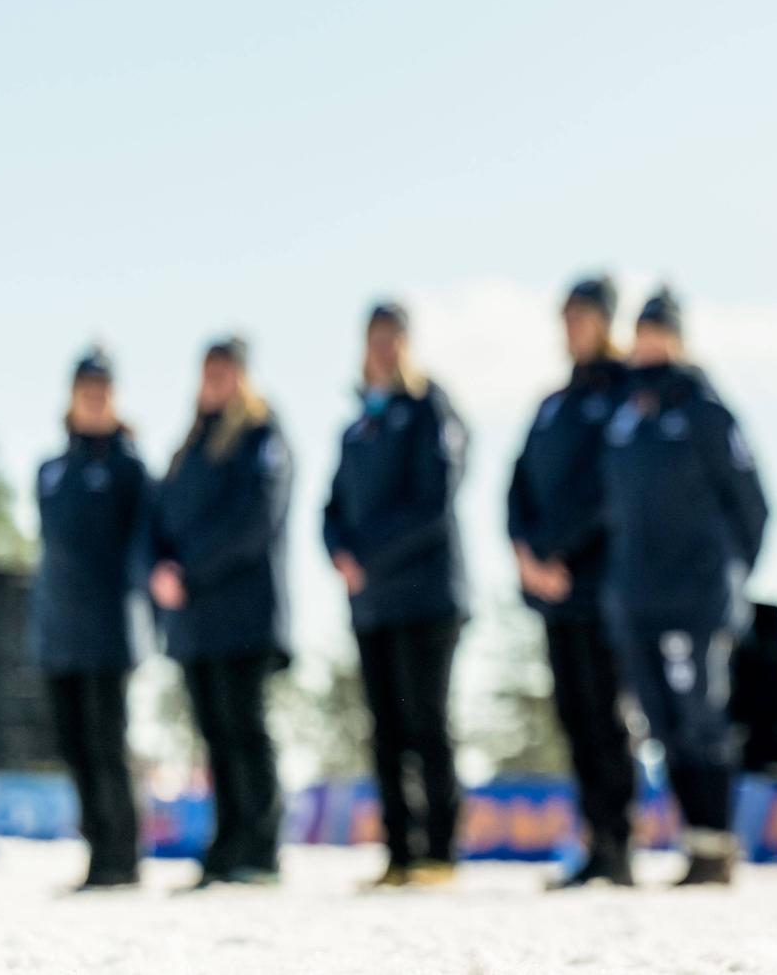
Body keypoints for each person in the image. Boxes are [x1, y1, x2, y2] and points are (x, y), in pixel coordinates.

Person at [602, 288, 768, 885]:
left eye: (659, 333)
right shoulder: (625, 414)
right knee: (661, 725)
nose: (649, 345)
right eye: (641, 333)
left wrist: (725, 575)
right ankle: (694, 842)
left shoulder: (705, 411)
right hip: (637, 598)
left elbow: (752, 506)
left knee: (703, 720)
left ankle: (717, 845)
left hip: (696, 599)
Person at [324, 301, 470, 888]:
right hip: (372, 603)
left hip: (427, 596)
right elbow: (331, 506)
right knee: (384, 727)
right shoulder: (360, 422)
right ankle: (399, 851)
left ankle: (437, 850)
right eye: (373, 338)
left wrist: (370, 554)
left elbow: (433, 500)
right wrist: (339, 550)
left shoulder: (430, 408)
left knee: (426, 722)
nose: (382, 348)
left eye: (393, 338)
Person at [507, 274, 640, 888]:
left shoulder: (623, 394)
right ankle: (591, 841)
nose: (571, 328)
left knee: (608, 715)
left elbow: (613, 489)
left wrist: (558, 550)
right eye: (566, 317)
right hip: (551, 591)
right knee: (573, 716)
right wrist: (526, 553)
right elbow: (517, 485)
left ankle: (619, 844)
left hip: (601, 584)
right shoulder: (552, 404)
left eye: (582, 317)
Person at [150, 335, 293, 888]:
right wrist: (160, 567)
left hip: (244, 614)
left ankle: (261, 846)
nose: (215, 381)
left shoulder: (262, 436)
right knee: (213, 734)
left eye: (225, 371)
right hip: (195, 620)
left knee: (245, 728)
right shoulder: (188, 447)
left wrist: (191, 570)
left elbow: (254, 522)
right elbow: (159, 520)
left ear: (243, 376)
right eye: (208, 370)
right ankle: (227, 844)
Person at [30, 346, 151, 891]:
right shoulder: (51, 471)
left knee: (108, 746)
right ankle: (95, 851)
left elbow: (141, 548)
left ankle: (121, 859)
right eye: (85, 389)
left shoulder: (130, 468)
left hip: (108, 632)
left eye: (103, 390)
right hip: (59, 633)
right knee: (75, 747)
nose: (93, 398)